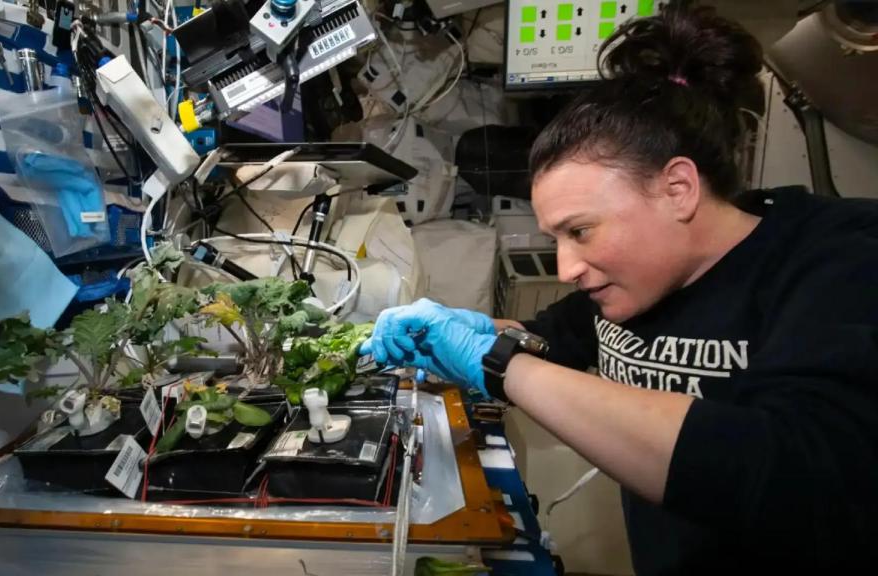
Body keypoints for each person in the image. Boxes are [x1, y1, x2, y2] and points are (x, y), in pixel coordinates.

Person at [360, 6, 878, 575]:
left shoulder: (839, 259)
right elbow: (546, 342)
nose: (566, 268)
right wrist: (462, 331)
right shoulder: (633, 285)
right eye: (556, 239)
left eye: (580, 231)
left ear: (677, 189)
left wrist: (499, 363)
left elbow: (795, 475)